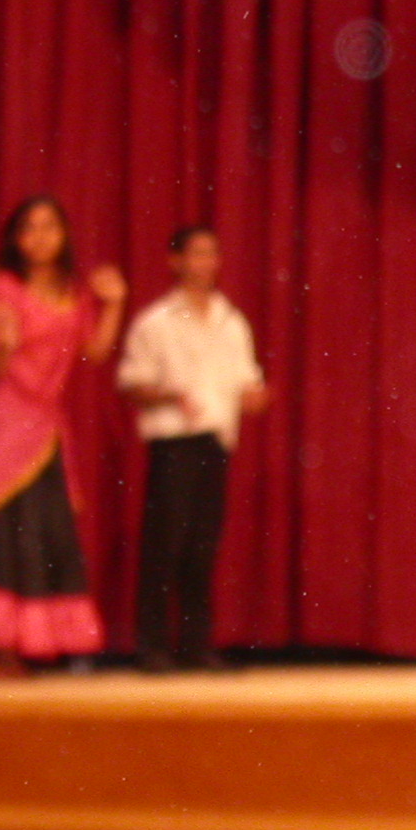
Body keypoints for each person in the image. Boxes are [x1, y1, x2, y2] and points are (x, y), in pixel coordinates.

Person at [0, 196, 126, 678]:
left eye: (50, 227)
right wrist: (0, 347)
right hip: (0, 428)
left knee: (39, 536)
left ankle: (3, 648)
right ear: (16, 240)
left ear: (64, 235)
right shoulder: (3, 288)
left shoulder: (74, 293)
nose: (41, 237)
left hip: (44, 432)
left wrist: (114, 303)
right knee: (1, 534)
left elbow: (94, 351)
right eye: (29, 228)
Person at [116, 226, 269, 672]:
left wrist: (254, 397)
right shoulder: (156, 321)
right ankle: (152, 647)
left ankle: (196, 646)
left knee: (203, 548)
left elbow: (247, 380)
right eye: (196, 253)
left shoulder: (231, 320)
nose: (206, 263)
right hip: (174, 442)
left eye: (212, 254)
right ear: (175, 260)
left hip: (216, 441)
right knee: (165, 545)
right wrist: (169, 395)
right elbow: (132, 383)